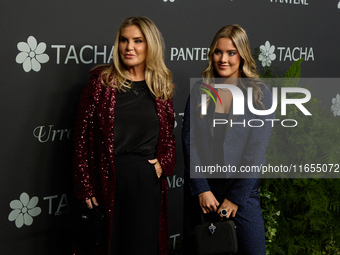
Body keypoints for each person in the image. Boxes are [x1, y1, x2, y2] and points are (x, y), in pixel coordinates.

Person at [73, 17, 176, 255]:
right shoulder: (101, 82)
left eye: (137, 41)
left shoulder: (161, 86)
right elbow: (80, 141)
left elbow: (169, 135)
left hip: (146, 183)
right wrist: (85, 187)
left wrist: (164, 164)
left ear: (150, 45)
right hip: (108, 179)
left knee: (143, 247)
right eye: (124, 40)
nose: (129, 47)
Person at [182, 24, 274, 254]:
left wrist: (235, 198)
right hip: (205, 195)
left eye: (231, 53)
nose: (223, 59)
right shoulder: (200, 90)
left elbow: (256, 153)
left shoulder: (260, 94)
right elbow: (189, 142)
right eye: (218, 52)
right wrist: (202, 189)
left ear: (242, 55)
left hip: (241, 195)